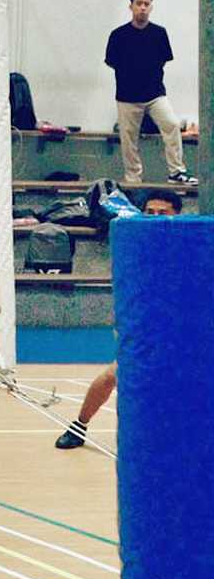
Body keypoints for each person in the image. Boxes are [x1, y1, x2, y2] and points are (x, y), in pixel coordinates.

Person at [56, 189, 182, 450]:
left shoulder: (187, 244)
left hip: (179, 324)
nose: (155, 217)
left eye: (163, 213)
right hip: (142, 322)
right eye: (150, 212)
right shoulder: (135, 242)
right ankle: (79, 426)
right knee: (115, 374)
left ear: (177, 215)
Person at [107, 0, 194, 186]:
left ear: (151, 7)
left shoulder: (159, 33)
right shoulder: (118, 35)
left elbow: (163, 59)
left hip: (155, 94)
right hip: (127, 96)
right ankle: (133, 178)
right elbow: (112, 61)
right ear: (131, 7)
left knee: (171, 124)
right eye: (139, 3)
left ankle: (176, 171)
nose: (143, 7)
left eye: (147, 4)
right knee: (129, 140)